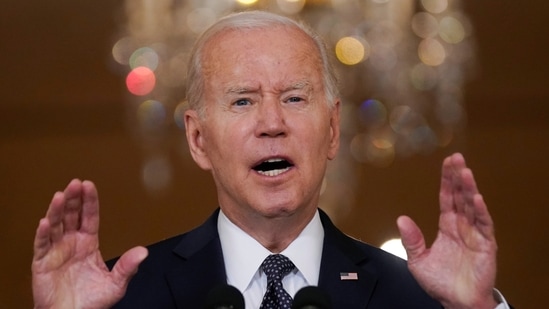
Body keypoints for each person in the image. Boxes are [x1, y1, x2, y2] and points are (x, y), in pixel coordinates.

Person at [31, 11, 511, 309]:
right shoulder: (120, 297)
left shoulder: (423, 298)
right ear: (198, 139)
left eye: (296, 99)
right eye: (242, 101)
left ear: (333, 129)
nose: (272, 123)